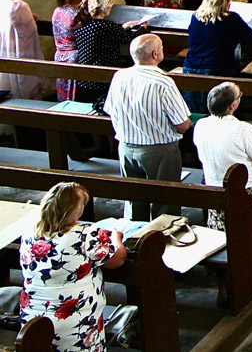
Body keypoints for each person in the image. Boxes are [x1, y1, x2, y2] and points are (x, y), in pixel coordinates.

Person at [19, 182, 126, 352]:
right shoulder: (86, 234)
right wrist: (116, 239)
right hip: (76, 321)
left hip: (34, 319)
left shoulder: (29, 231)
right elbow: (117, 260)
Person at [105, 34, 191, 220]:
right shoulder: (163, 82)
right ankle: (162, 239)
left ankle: (135, 240)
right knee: (165, 203)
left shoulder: (119, 76)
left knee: (135, 200)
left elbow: (110, 110)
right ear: (155, 54)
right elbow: (182, 124)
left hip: (127, 147)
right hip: (159, 150)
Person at [194, 82, 252, 268]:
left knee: (220, 231)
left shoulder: (201, 125)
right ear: (233, 105)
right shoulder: (242, 129)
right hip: (244, 189)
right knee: (247, 228)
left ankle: (221, 270)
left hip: (213, 185)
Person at [183, 0, 252, 106]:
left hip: (190, 67)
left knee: (194, 107)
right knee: (219, 107)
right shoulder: (231, 18)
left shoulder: (196, 17)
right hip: (217, 68)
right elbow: (250, 37)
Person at [69, 0, 132, 106]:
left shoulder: (82, 24)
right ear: (102, 6)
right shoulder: (107, 25)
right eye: (109, 2)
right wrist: (143, 28)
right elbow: (128, 39)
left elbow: (103, 35)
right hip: (104, 78)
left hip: (85, 78)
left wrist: (123, 27)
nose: (111, 5)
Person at [0, 0, 43, 100]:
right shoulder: (18, 5)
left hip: (3, 49)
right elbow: (29, 31)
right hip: (17, 50)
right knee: (20, 86)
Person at [50, 0, 90, 101]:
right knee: (74, 93)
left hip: (59, 55)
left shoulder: (58, 10)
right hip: (75, 56)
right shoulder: (79, 14)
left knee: (63, 89)